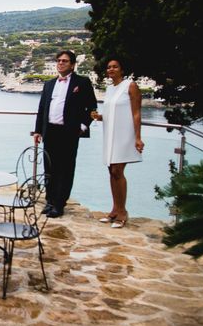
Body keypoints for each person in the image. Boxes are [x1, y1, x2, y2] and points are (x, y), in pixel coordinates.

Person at [33, 50, 97, 218]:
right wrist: (39, 130)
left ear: (73, 64)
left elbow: (91, 107)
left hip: (68, 132)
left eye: (65, 61)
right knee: (49, 167)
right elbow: (42, 109)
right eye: (59, 60)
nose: (61, 63)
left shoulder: (81, 83)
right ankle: (50, 201)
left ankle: (60, 203)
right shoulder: (49, 84)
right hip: (50, 131)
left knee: (65, 168)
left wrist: (83, 126)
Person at [90, 57, 144, 228]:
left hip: (125, 134)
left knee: (117, 170)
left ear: (122, 69)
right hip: (110, 133)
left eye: (115, 67)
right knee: (111, 171)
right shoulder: (110, 89)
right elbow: (112, 112)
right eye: (109, 67)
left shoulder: (130, 86)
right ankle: (114, 209)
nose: (111, 69)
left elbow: (136, 113)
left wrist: (137, 137)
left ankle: (123, 212)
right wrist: (99, 117)